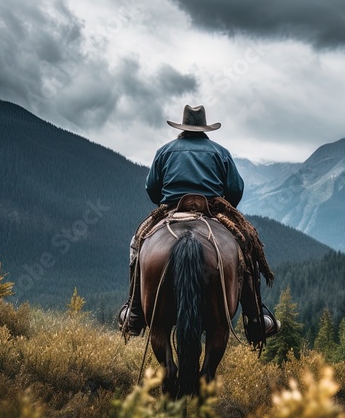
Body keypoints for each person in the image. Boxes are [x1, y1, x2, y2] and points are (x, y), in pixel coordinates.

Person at [119, 104, 280, 346]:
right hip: (212, 209)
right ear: (204, 128)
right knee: (246, 244)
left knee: (138, 242)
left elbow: (152, 189)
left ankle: (134, 311)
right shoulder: (220, 152)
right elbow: (235, 191)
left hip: (172, 209)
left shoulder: (165, 151)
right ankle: (256, 317)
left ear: (182, 126)